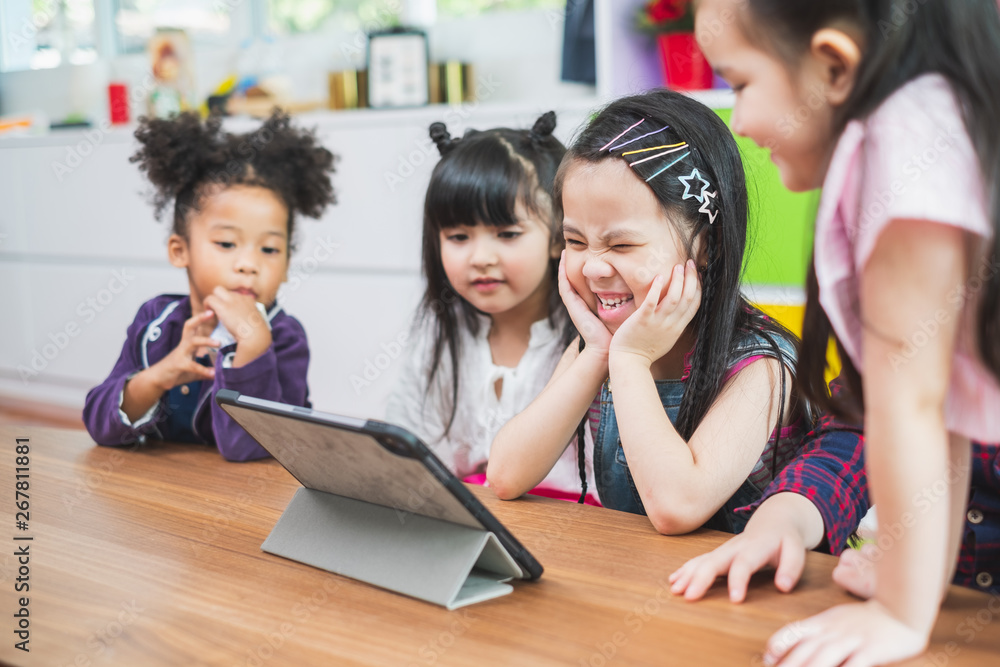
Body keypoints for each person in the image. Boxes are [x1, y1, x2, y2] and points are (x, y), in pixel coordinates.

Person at [693, 0, 1000, 664]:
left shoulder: (903, 146)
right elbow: (935, 401)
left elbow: (913, 402)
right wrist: (909, 580)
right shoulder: (941, 121)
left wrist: (899, 611)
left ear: (833, 65)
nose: (738, 121)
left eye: (740, 83)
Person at [487, 89, 810, 534]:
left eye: (622, 245)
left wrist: (631, 361)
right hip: (640, 582)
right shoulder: (597, 345)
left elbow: (677, 506)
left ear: (705, 245)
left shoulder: (761, 365)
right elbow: (505, 475)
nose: (595, 266)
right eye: (576, 242)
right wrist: (599, 356)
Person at [83, 110, 336, 461]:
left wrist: (253, 345)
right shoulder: (156, 321)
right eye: (227, 243)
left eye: (269, 249)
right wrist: (160, 375)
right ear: (180, 250)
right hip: (164, 499)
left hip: (250, 505)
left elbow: (249, 449)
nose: (249, 264)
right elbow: (100, 425)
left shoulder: (286, 337)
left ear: (287, 266)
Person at [386, 113, 599, 504]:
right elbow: (403, 452)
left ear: (558, 237)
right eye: (459, 236)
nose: (481, 257)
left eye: (507, 234)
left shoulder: (593, 339)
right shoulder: (443, 333)